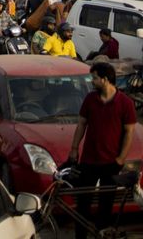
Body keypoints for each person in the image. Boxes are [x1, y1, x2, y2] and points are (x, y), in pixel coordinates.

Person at [68, 62, 137, 239]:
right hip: (89, 160)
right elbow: (81, 124)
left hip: (111, 163)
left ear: (105, 80)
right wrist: (74, 149)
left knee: (105, 206)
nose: (92, 81)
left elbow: (129, 132)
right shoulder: (90, 99)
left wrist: (121, 158)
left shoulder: (125, 103)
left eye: (95, 78)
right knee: (83, 203)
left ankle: (102, 234)